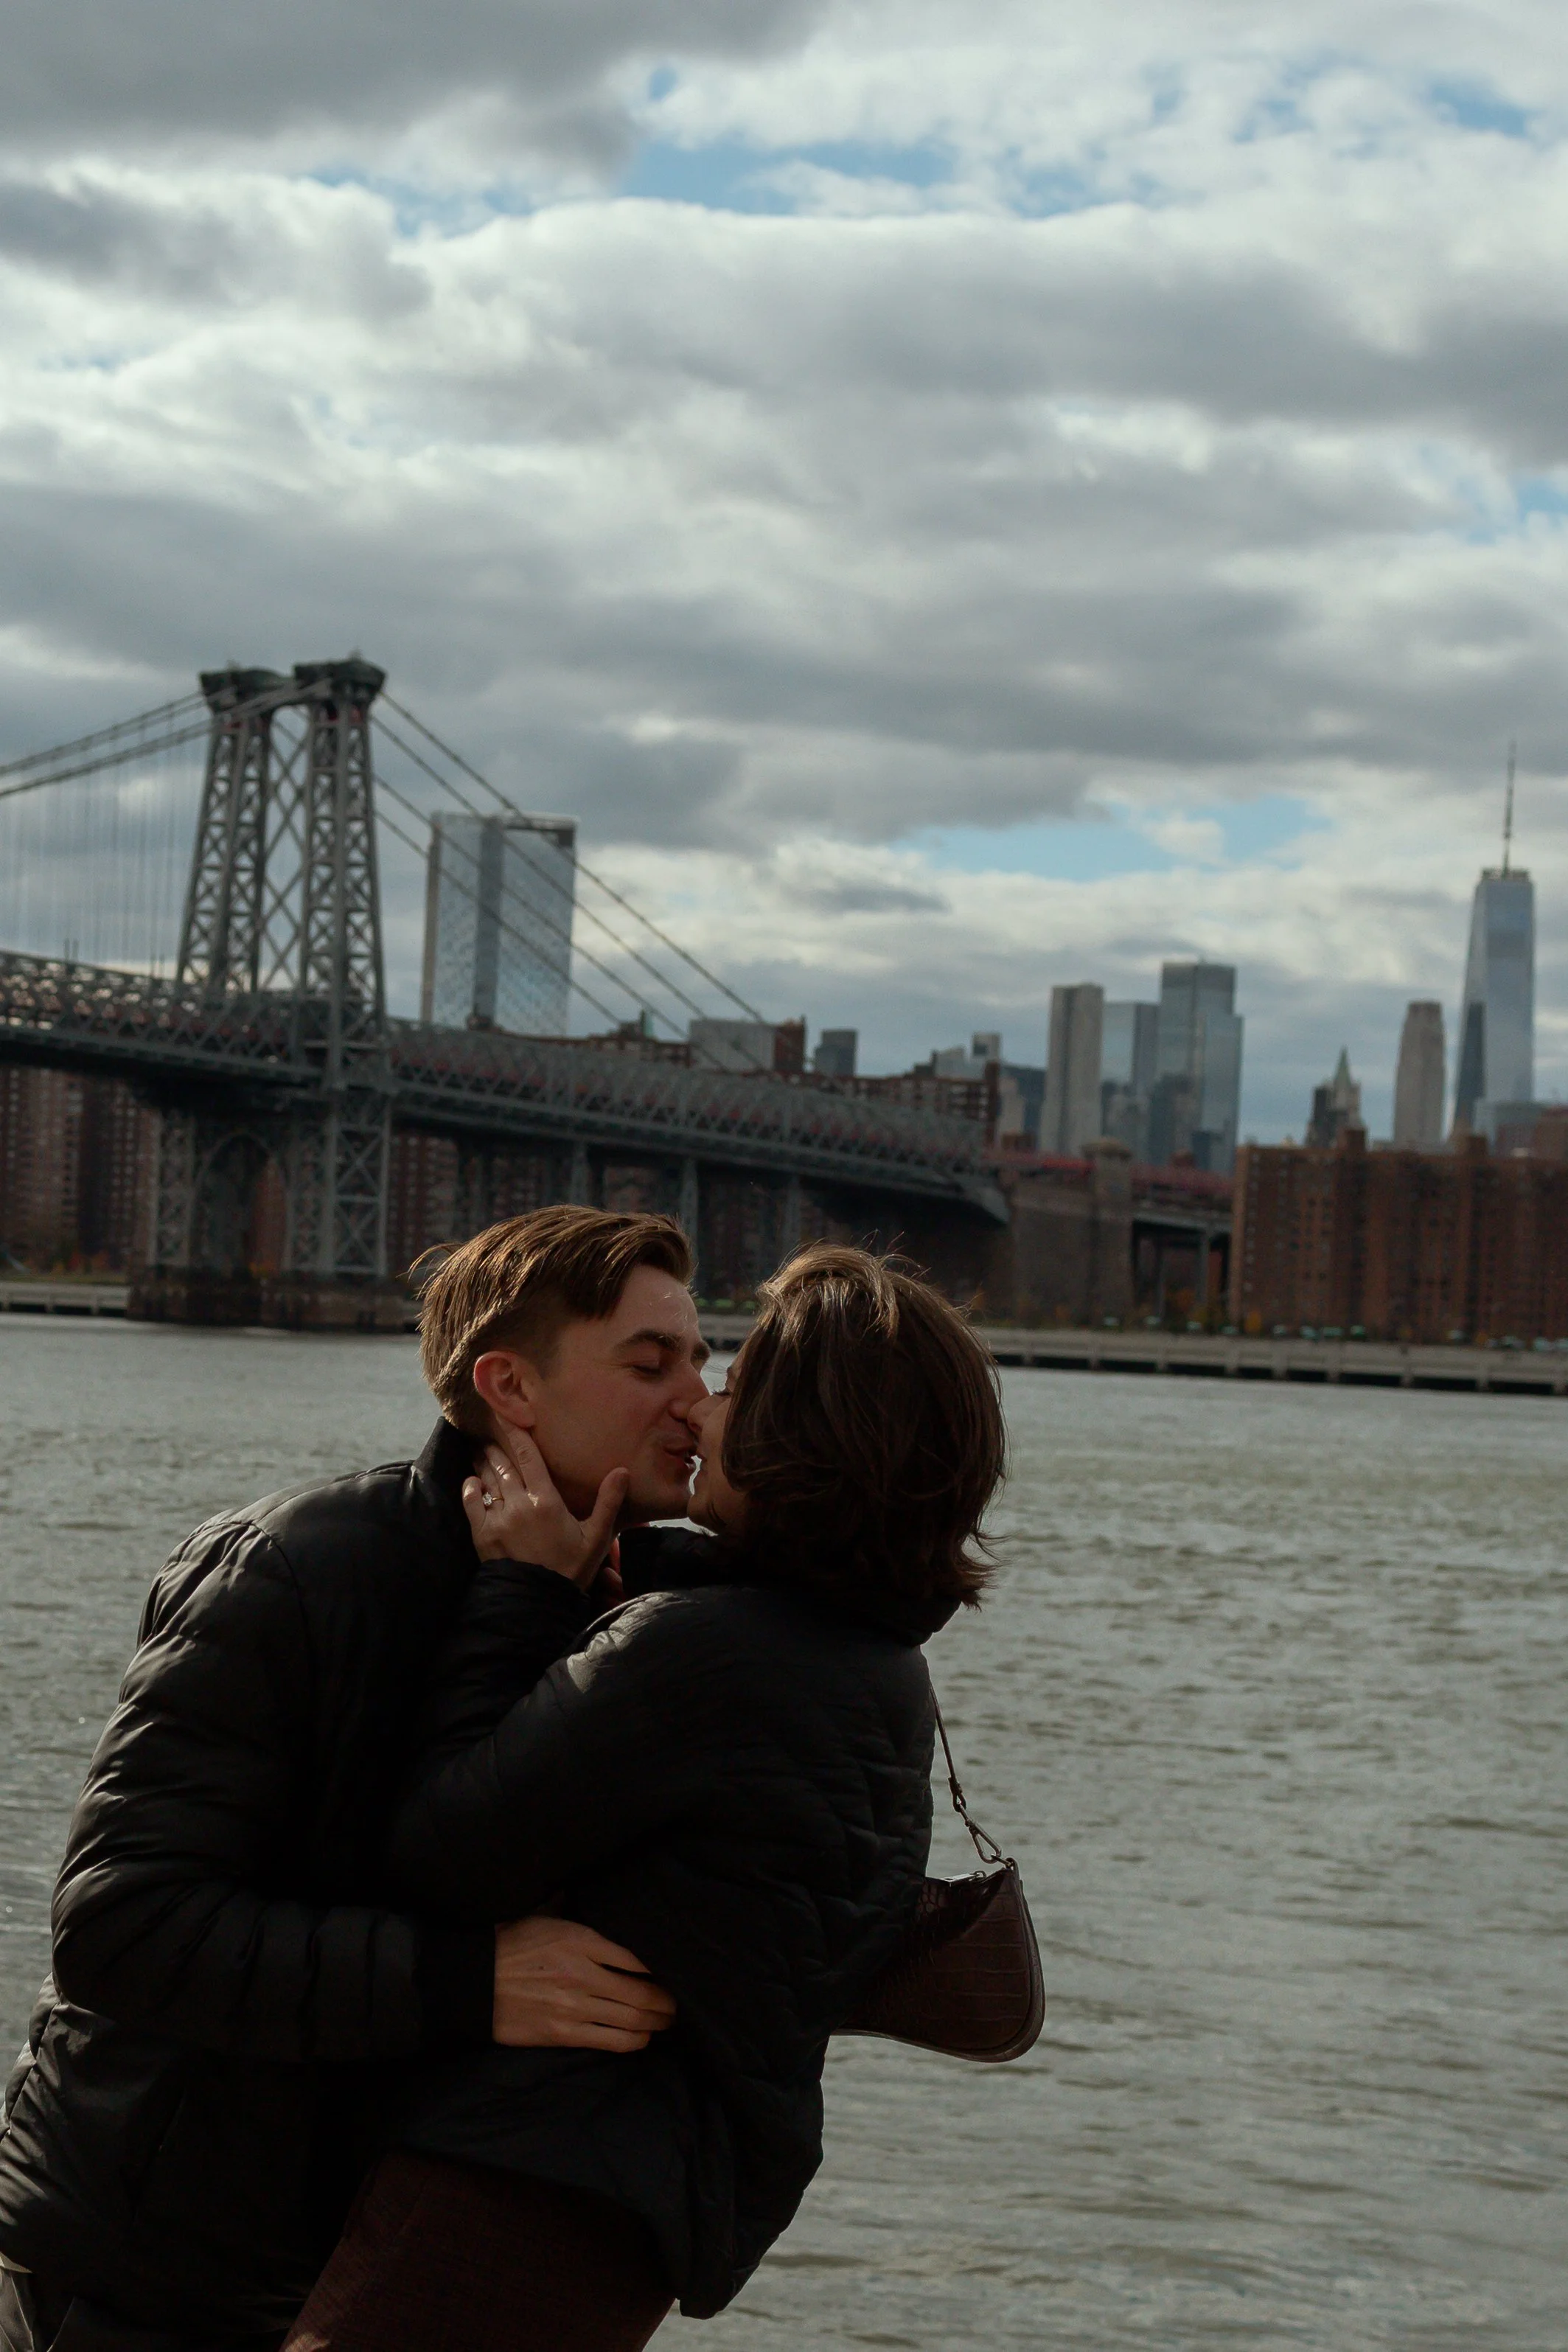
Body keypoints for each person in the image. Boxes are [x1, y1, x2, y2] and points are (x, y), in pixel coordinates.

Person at [0, 1208, 708, 2352]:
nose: (698, 1398)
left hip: (365, 2282)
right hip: (152, 2270)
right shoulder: (295, 1569)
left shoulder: (637, 1600)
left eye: (701, 1359)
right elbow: (120, 1928)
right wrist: (465, 1981)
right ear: (510, 1388)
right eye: (651, 1361)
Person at [281, 1243, 1008, 2352]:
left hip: (514, 2190)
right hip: (637, 2201)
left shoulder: (699, 1655)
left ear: (796, 1439)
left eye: (733, 1385)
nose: (702, 1413)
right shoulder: (878, 1668)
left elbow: (437, 1847)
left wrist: (519, 1592)